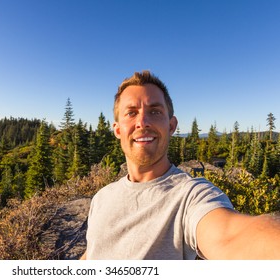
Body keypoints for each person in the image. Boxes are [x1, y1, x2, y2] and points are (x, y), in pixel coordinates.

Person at [80, 70, 280, 260]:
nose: (142, 121)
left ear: (171, 126)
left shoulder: (190, 197)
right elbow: (93, 253)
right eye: (131, 113)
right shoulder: (101, 198)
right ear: (117, 130)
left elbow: (230, 237)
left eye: (155, 111)